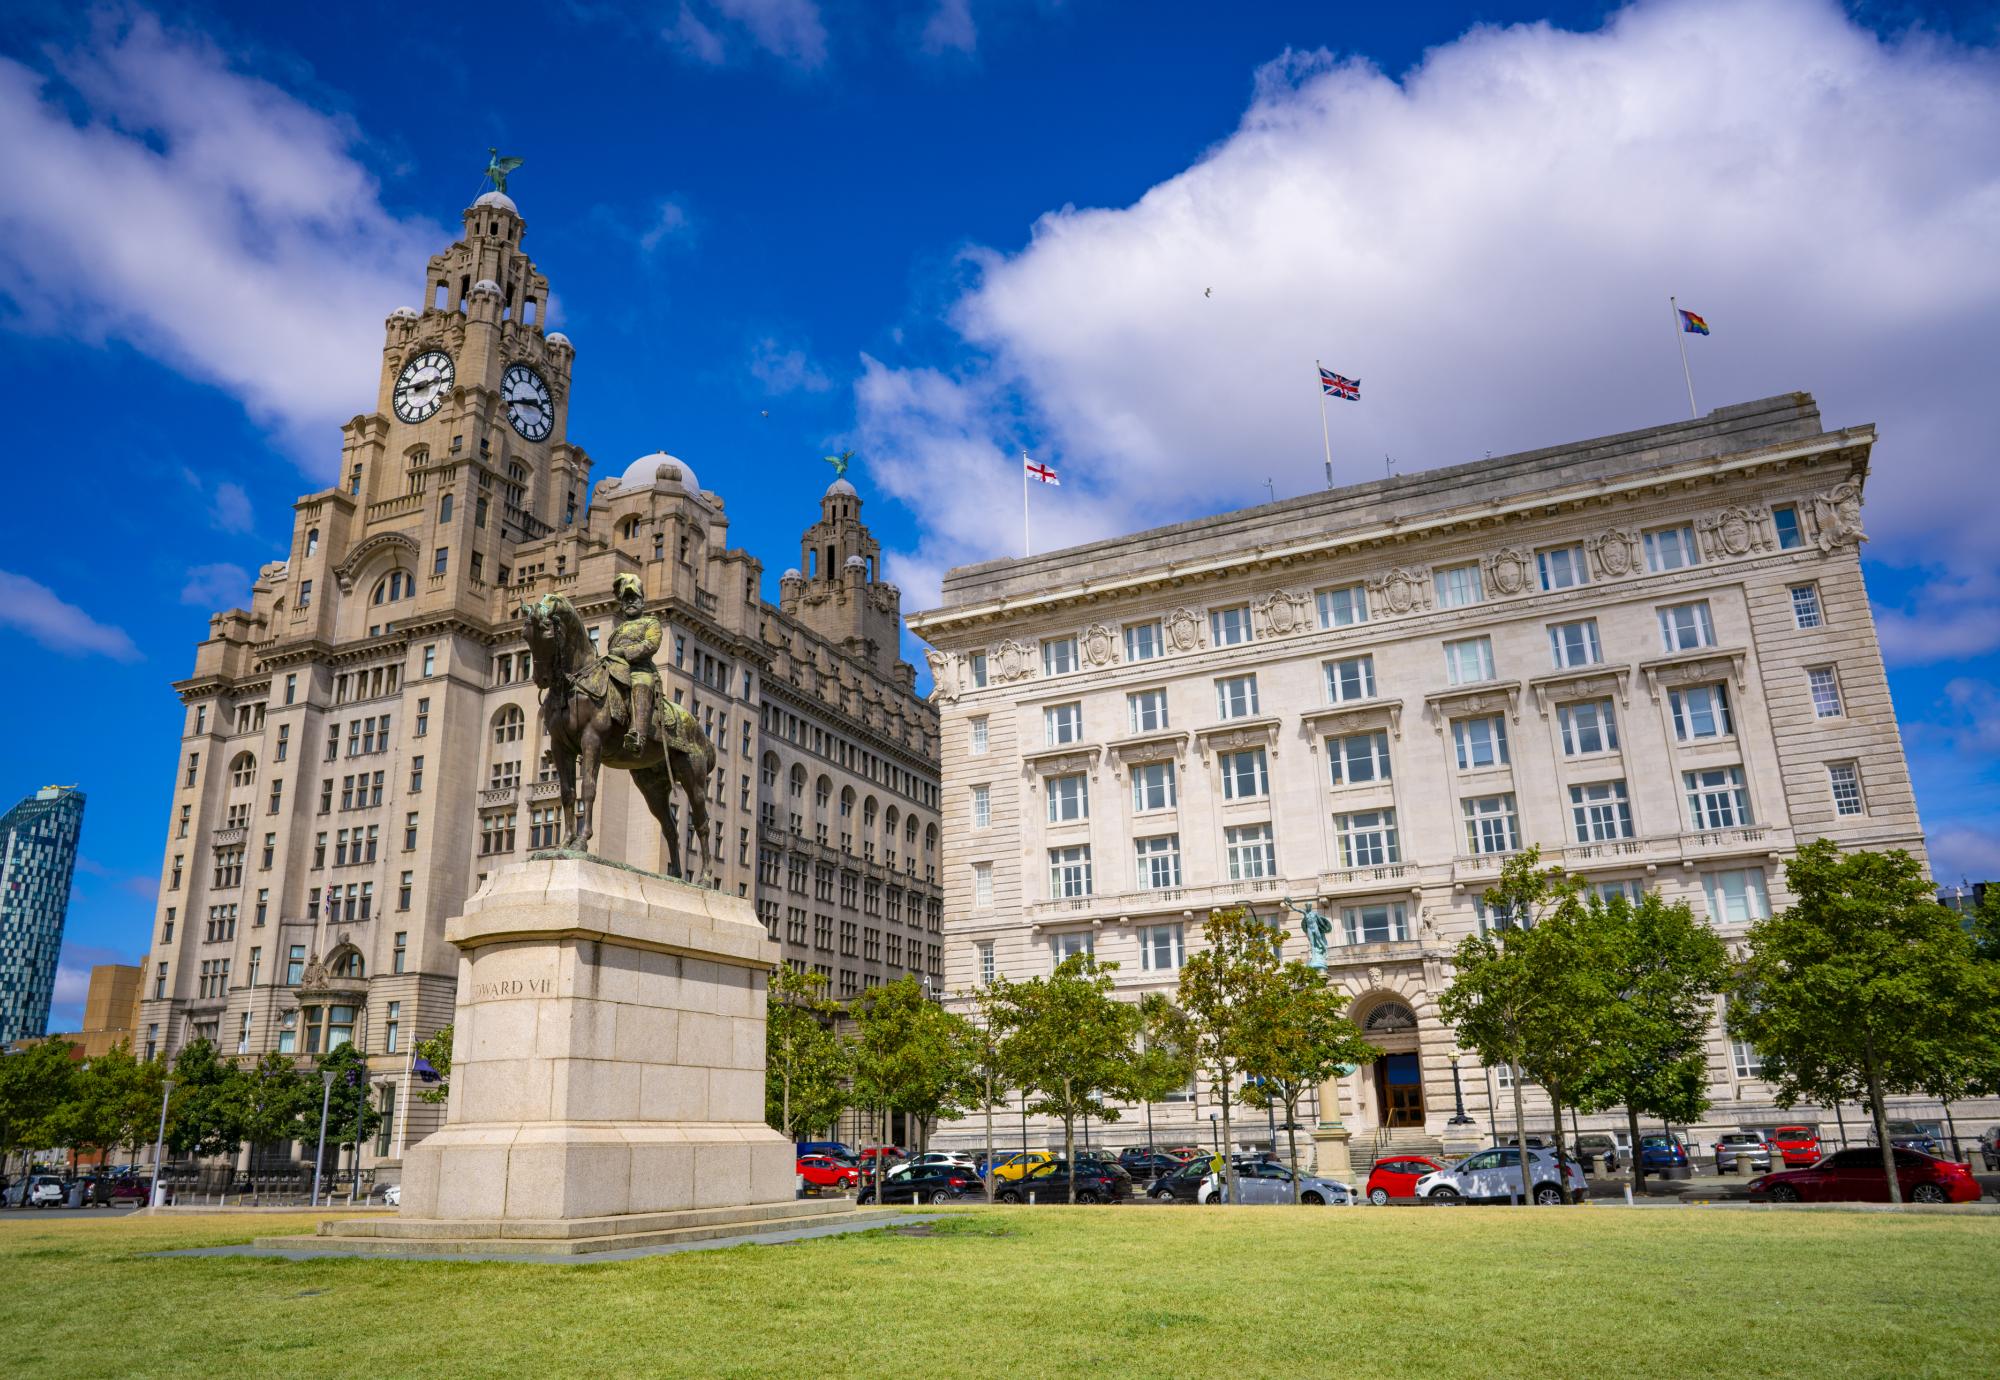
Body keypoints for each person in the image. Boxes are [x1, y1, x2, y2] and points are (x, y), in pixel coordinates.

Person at [604, 573, 662, 757]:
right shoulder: (618, 630)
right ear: (621, 604)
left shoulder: (651, 622)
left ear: (642, 601)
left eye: (634, 598)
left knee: (641, 684)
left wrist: (625, 652)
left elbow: (651, 644)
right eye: (626, 599)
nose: (630, 602)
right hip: (615, 669)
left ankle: (638, 735)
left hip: (640, 669)